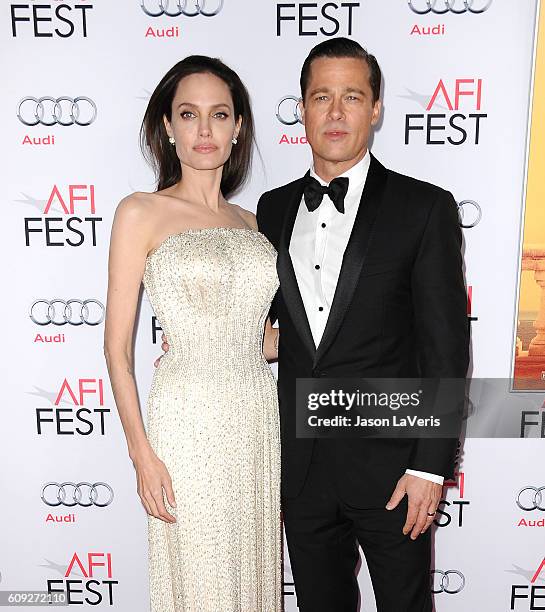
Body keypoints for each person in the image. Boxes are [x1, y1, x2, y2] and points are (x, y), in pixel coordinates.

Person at [159, 38, 469, 611]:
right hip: (299, 471)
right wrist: (209, 347)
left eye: (352, 97)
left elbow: (446, 348)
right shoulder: (271, 211)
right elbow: (284, 331)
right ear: (301, 108)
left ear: (375, 108)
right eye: (320, 97)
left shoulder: (424, 208)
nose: (335, 112)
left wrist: (430, 464)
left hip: (394, 469)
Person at [103, 55, 282, 612]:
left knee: (253, 578)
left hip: (256, 417)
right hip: (186, 423)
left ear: (238, 128)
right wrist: (142, 455)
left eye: (219, 115)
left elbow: (262, 340)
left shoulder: (256, 224)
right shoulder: (141, 212)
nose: (204, 130)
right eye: (188, 114)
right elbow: (117, 350)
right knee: (202, 577)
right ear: (167, 127)